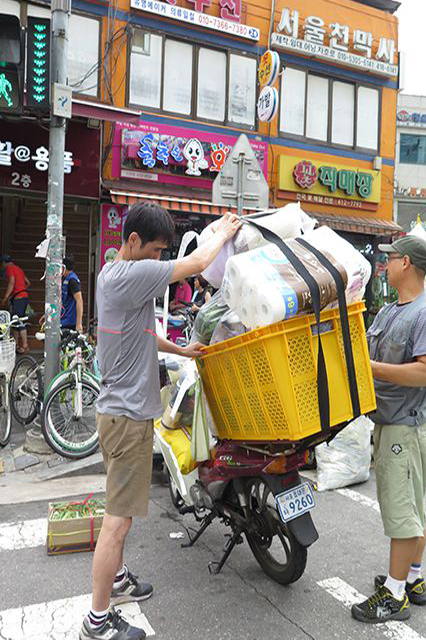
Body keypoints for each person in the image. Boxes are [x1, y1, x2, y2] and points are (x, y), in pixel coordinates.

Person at [79, 203, 241, 640]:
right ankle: (96, 620)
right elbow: (199, 262)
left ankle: (115, 579)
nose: (157, 258)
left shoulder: (114, 273)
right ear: (133, 242)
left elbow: (141, 335)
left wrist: (182, 351)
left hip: (117, 412)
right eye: (154, 250)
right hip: (127, 418)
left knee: (121, 513)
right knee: (119, 520)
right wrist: (223, 231)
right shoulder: (136, 273)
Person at [351, 235, 426, 624]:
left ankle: (394, 596)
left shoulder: (423, 313)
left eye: (390, 259)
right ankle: (414, 578)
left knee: (403, 513)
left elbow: (424, 372)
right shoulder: (388, 312)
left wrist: (373, 367)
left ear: (408, 264)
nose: (385, 265)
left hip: (406, 426)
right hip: (388, 422)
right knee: (415, 506)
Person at [0, 255, 30, 354]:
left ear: (4, 262)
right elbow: (28, 282)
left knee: (19, 321)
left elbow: (11, 282)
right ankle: (16, 344)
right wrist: (21, 289)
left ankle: (25, 346)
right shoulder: (18, 268)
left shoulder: (9, 268)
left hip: (19, 298)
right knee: (15, 322)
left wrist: (5, 297)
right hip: (23, 297)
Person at [61, 255, 83, 333]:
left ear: (64, 267)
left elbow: (79, 300)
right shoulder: (65, 279)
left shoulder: (72, 280)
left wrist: (79, 323)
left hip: (70, 322)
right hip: (63, 319)